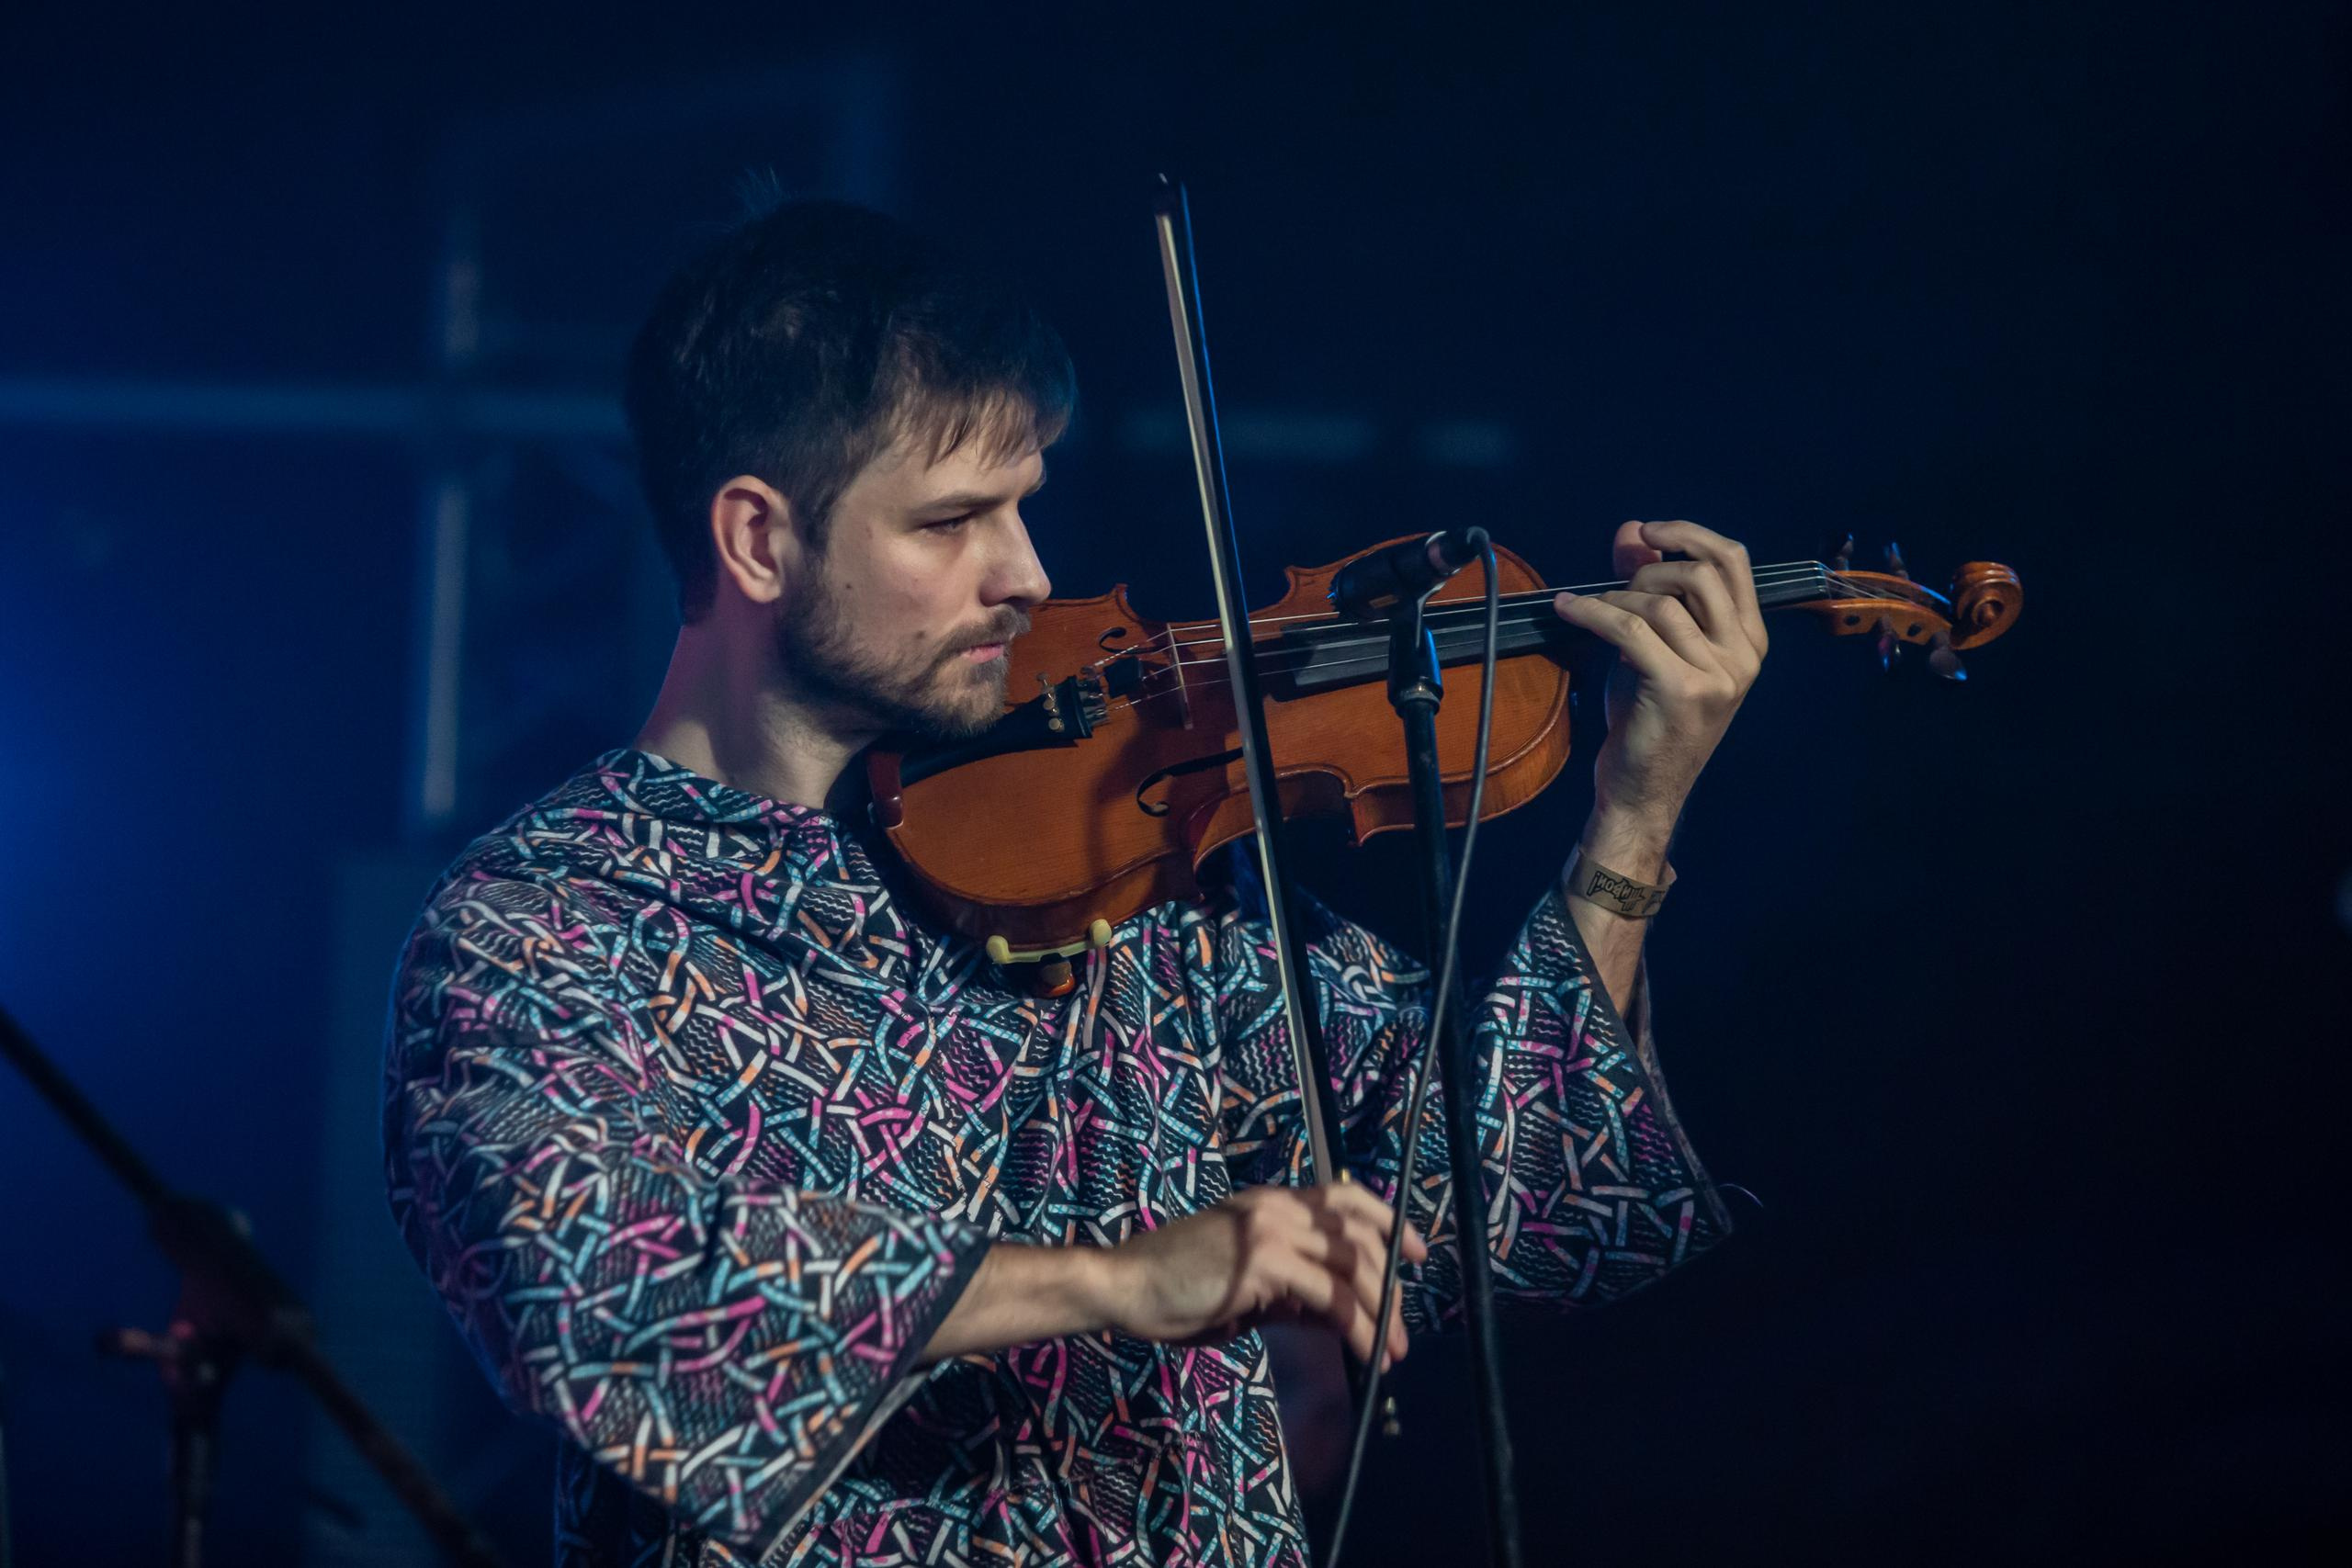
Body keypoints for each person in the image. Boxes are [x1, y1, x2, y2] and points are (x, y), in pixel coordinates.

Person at [383, 198, 1766, 1567]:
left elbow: (1513, 1202)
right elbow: (586, 1289)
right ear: (756, 538)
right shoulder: (553, 918)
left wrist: (1632, 819)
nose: (1027, 576)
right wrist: (1115, 1282)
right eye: (951, 523)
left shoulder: (1142, 877)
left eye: (1025, 504)